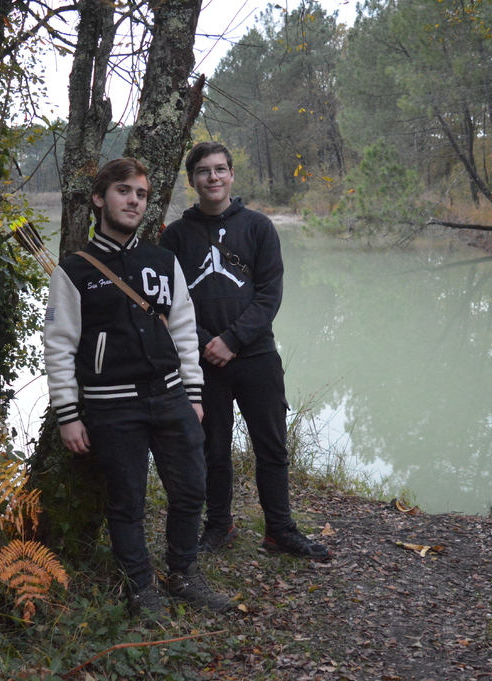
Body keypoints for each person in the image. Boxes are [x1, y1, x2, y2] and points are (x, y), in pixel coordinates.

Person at [43, 157, 232, 623]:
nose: (133, 201)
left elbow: (184, 329)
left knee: (191, 490)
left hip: (170, 397)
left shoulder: (163, 261)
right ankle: (141, 588)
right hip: (111, 405)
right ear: (99, 198)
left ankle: (184, 574)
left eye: (141, 194)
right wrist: (68, 414)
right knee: (127, 501)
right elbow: (59, 346)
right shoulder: (74, 271)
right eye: (124, 191)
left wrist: (193, 395)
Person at [159, 141, 333, 560]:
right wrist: (206, 342)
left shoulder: (258, 227)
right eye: (204, 171)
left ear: (232, 174)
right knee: (212, 449)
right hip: (203, 362)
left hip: (257, 356)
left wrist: (233, 339)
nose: (213, 177)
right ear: (192, 180)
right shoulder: (176, 237)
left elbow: (270, 293)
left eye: (220, 169)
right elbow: (169, 301)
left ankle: (280, 531)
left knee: (271, 447)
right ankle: (220, 525)